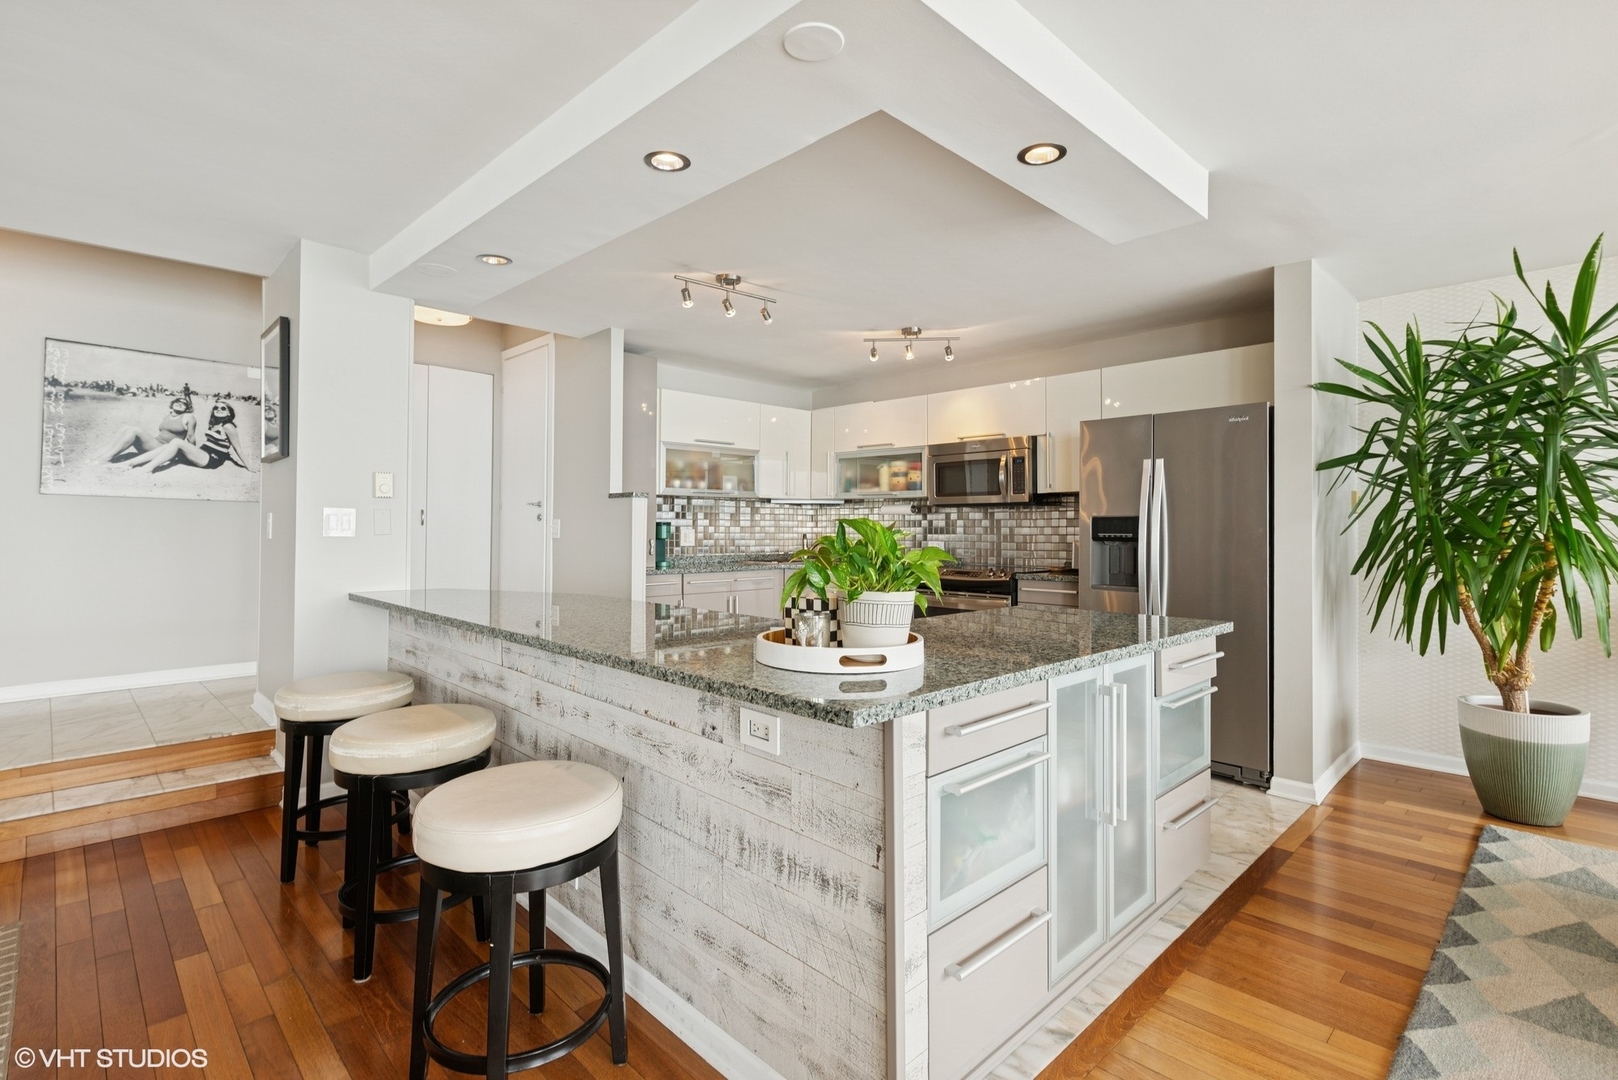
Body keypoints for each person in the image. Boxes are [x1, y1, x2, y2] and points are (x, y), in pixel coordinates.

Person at [131, 399, 248, 473]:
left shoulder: (228, 426)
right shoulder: (214, 424)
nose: (219, 409)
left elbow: (238, 449)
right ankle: (129, 463)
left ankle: (148, 468)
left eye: (223, 408)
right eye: (216, 408)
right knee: (168, 446)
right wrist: (193, 449)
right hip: (203, 454)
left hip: (212, 459)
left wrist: (249, 467)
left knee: (177, 442)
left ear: (229, 413)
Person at [90, 389, 194, 462]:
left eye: (184, 404)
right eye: (178, 402)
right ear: (172, 404)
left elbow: (191, 438)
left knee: (135, 430)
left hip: (164, 449)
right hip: (155, 445)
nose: (180, 403)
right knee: (125, 428)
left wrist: (192, 455)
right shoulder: (167, 415)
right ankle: (99, 455)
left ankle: (107, 458)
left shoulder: (188, 417)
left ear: (187, 408)